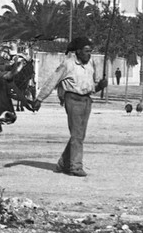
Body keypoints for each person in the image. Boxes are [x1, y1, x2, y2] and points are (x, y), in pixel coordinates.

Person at [33, 35, 105, 177]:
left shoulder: (91, 64)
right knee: (77, 135)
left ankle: (63, 163)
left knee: (79, 135)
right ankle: (75, 167)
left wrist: (100, 86)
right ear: (78, 51)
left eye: (90, 51)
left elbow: (91, 87)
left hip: (87, 101)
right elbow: (52, 81)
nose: (89, 54)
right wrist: (40, 98)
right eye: (86, 51)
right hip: (72, 100)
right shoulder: (68, 64)